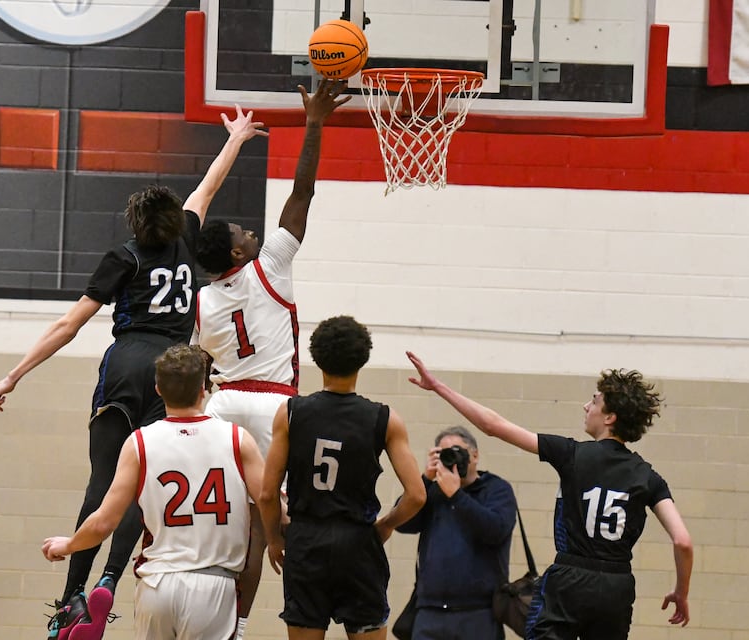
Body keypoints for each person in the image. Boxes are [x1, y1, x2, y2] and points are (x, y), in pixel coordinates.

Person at [0, 106, 267, 639]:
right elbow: (205, 189)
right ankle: (110, 582)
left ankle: (71, 600)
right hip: (172, 365)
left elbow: (69, 325)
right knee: (139, 486)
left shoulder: (125, 256)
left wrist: (14, 375)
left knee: (102, 482)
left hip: (126, 361)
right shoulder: (187, 238)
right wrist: (235, 139)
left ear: (136, 225)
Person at [192, 77, 350, 637]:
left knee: (212, 523)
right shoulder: (269, 267)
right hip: (272, 407)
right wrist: (314, 124)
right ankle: (237, 623)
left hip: (218, 408)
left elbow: (195, 367)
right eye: (242, 231)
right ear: (237, 253)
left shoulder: (203, 300)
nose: (252, 230)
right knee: (265, 530)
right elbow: (301, 193)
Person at [406, 352, 693, 640]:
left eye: (593, 401)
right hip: (617, 587)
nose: (586, 406)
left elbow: (493, 426)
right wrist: (681, 591)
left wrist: (439, 387)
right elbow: (682, 541)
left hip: (570, 578)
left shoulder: (572, 453)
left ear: (609, 417)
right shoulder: (648, 476)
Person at [42, 344, 264, 639]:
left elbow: (104, 522)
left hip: (157, 584)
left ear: (158, 389)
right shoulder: (238, 439)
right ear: (204, 388)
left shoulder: (140, 442)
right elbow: (269, 500)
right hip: (214, 584)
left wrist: (69, 545)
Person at [258, 315, 427, 640]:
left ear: (316, 357)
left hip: (306, 542)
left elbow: (267, 494)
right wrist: (386, 524)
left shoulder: (290, 412)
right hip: (358, 543)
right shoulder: (386, 419)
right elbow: (417, 495)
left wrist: (275, 539)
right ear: (362, 360)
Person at [395, 425, 517, 640]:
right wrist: (423, 480)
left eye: (457, 452)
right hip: (429, 613)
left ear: (475, 456)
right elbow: (402, 523)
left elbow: (495, 531)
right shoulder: (432, 492)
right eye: (445, 454)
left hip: (479, 614)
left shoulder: (496, 489)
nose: (452, 459)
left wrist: (456, 495)